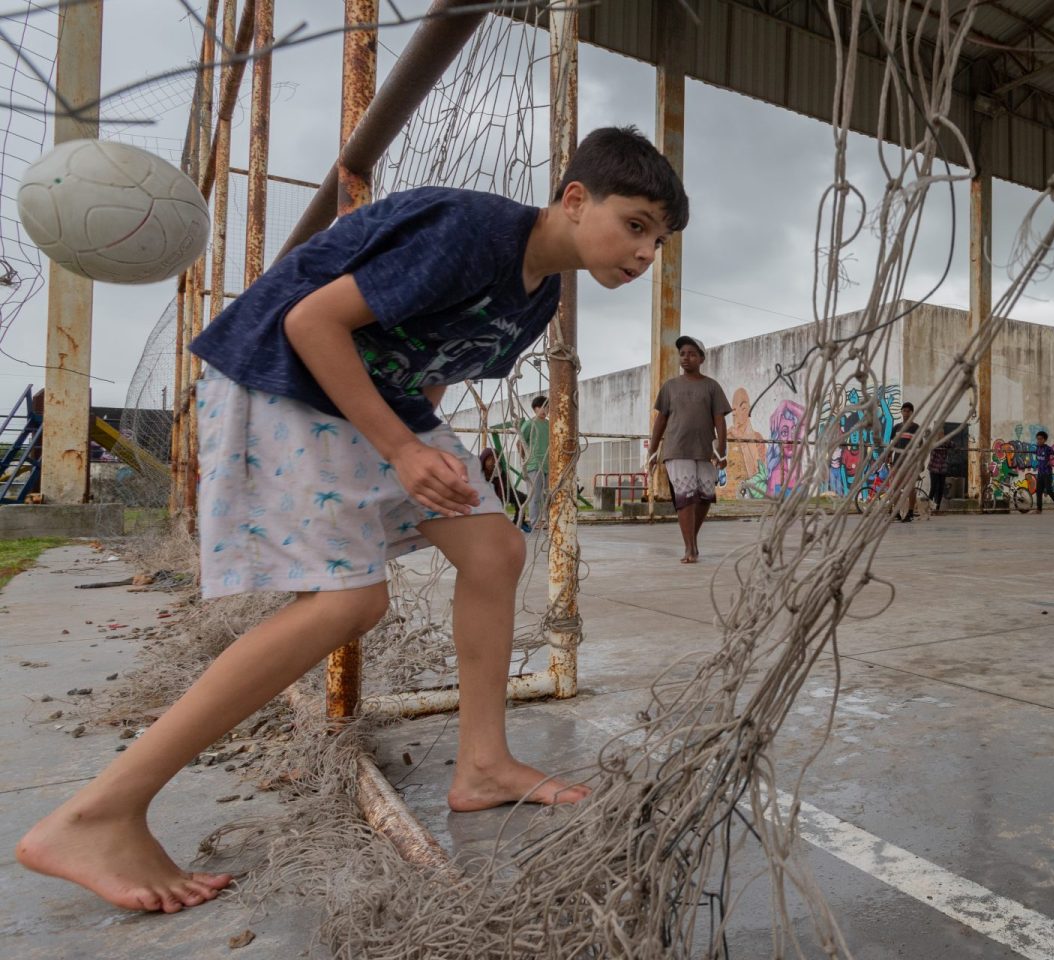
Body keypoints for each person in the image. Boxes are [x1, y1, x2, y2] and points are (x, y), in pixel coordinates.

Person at [15, 125, 690, 915]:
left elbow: (432, 370)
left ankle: (482, 765)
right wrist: (401, 451)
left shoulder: (539, 295)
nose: (644, 253)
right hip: (283, 379)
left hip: (375, 403)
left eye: (658, 241)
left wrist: (424, 450)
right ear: (575, 199)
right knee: (348, 602)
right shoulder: (474, 232)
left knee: (494, 549)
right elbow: (309, 323)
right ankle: (99, 812)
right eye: (635, 225)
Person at [647, 335, 729, 562]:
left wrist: (721, 451)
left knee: (705, 497)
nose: (686, 358)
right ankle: (689, 548)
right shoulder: (670, 387)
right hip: (676, 449)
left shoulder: (712, 387)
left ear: (701, 359)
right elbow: (660, 420)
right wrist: (652, 451)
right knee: (685, 497)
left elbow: (720, 421)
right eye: (682, 354)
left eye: (692, 354)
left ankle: (692, 539)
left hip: (705, 450)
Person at [517, 395, 550, 530]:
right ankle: (535, 521)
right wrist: (525, 459)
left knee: (548, 495)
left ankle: (548, 520)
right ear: (535, 409)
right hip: (534, 465)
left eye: (547, 407)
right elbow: (520, 442)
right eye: (542, 407)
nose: (545, 410)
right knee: (534, 495)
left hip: (548, 465)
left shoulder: (549, 424)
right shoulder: (529, 424)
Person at [889, 402, 921, 521]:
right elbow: (892, 444)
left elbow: (920, 446)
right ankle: (896, 513)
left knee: (910, 488)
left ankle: (910, 513)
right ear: (901, 412)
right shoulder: (896, 428)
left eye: (909, 411)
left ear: (912, 413)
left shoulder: (916, 428)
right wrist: (888, 455)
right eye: (904, 411)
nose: (906, 413)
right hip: (897, 462)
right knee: (896, 487)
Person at [479, 446, 518, 524]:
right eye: (489, 459)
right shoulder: (478, 473)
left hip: (499, 495)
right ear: (484, 460)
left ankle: (518, 522)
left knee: (521, 498)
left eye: (494, 459)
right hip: (483, 499)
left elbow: (502, 488)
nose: (492, 462)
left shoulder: (498, 472)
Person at [1033, 430, 1054, 513]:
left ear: (1044, 440)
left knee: (1049, 490)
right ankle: (1039, 509)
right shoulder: (1037, 448)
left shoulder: (1047, 448)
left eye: (1040, 439)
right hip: (1040, 473)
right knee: (1038, 491)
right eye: (1038, 439)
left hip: (1047, 473)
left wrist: (1051, 460)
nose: (1039, 441)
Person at [926, 432, 951, 517]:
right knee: (933, 488)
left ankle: (937, 508)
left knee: (941, 489)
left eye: (942, 434)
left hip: (942, 469)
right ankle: (928, 508)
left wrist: (946, 440)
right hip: (934, 468)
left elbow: (953, 445)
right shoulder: (934, 443)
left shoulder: (946, 443)